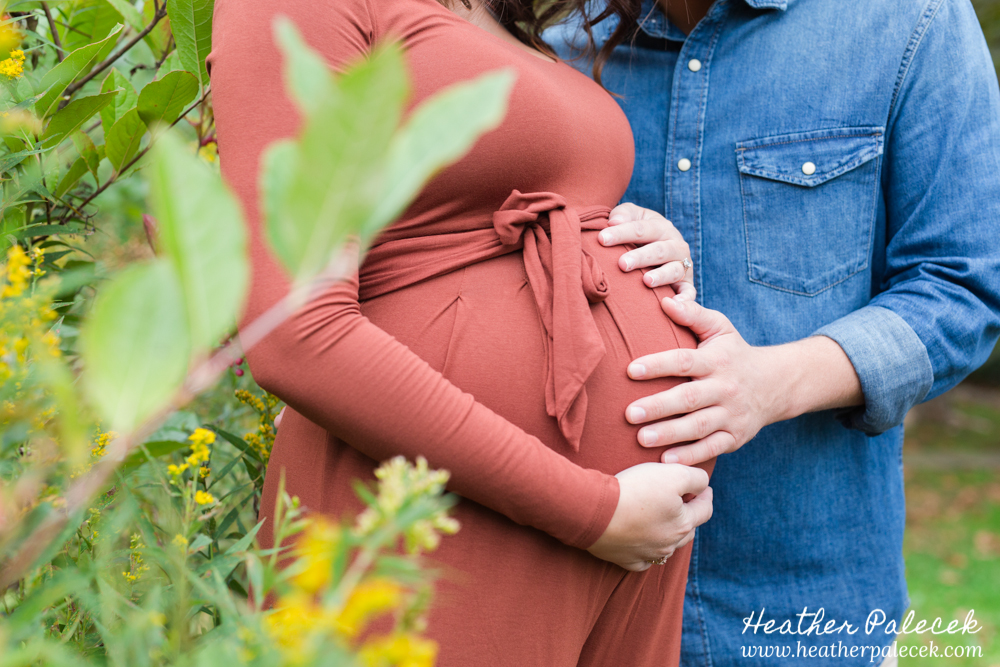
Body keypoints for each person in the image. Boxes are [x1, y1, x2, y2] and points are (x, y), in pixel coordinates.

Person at [209, 0, 717, 665]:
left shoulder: (496, 14)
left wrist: (621, 241)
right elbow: (294, 330)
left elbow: (479, 220)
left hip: (628, 537)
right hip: (445, 507)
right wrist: (589, 510)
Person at [548, 0, 1000, 664]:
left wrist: (767, 386)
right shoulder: (557, 49)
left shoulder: (912, 19)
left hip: (806, 616)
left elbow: (965, 284)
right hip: (583, 606)